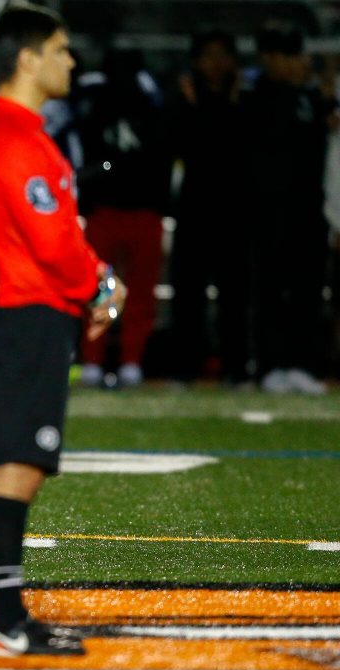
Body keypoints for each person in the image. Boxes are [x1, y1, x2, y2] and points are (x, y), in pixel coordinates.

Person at [0, 3, 126, 656]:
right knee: (20, 464)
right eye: (60, 50)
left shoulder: (21, 132)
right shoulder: (15, 138)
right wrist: (100, 284)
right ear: (28, 59)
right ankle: (6, 620)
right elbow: (53, 240)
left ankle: (6, 614)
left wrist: (92, 282)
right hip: (25, 316)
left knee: (16, 462)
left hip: (26, 314)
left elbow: (56, 236)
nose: (70, 60)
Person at [74, 48, 171, 388]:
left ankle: (130, 361)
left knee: (137, 292)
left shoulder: (153, 105)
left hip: (142, 211)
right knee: (99, 289)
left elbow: (161, 156)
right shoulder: (94, 104)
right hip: (107, 211)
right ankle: (96, 360)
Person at [244, 23, 333, 394]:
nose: (300, 63)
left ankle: (300, 364)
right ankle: (270, 365)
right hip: (269, 211)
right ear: (272, 59)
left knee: (306, 290)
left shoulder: (310, 97)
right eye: (291, 56)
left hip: (308, 210)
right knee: (270, 290)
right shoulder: (257, 96)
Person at [168, 29, 253, 385]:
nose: (216, 64)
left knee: (235, 294)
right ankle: (185, 366)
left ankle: (236, 366)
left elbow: (247, 148)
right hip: (195, 208)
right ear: (196, 62)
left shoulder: (247, 99)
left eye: (222, 55)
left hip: (235, 210)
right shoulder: (184, 99)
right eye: (209, 56)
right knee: (189, 294)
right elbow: (179, 145)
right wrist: (192, 107)